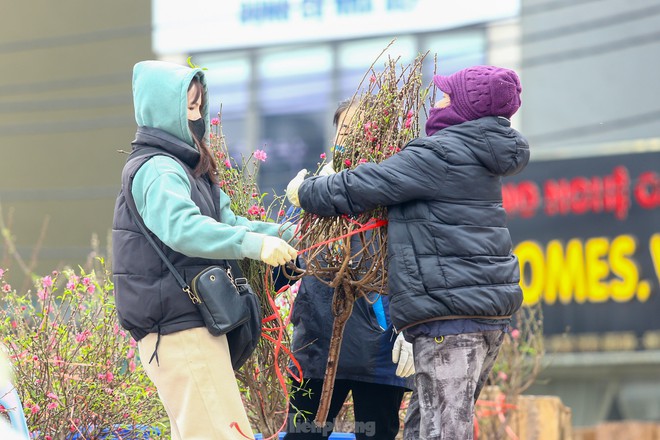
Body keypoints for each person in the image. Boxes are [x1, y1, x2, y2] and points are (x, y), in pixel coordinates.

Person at [286, 65, 530, 440]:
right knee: (426, 427)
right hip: (484, 312)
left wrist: (306, 192)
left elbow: (366, 184)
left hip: (450, 317)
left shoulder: (442, 153)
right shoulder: (482, 153)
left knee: (441, 431)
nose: (439, 102)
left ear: (467, 106)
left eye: (448, 95)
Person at [112, 60, 298, 440]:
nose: (197, 116)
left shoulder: (183, 167)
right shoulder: (159, 170)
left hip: (185, 327)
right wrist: (255, 245)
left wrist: (290, 234)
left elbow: (231, 222)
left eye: (199, 105)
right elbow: (182, 228)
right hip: (179, 328)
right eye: (189, 106)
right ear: (162, 108)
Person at [283, 100, 413, 440]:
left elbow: (414, 264)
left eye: (358, 127)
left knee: (377, 432)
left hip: (381, 349)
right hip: (316, 342)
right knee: (303, 434)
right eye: (342, 128)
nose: (348, 136)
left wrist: (412, 328)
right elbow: (293, 259)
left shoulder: (398, 191)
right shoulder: (313, 192)